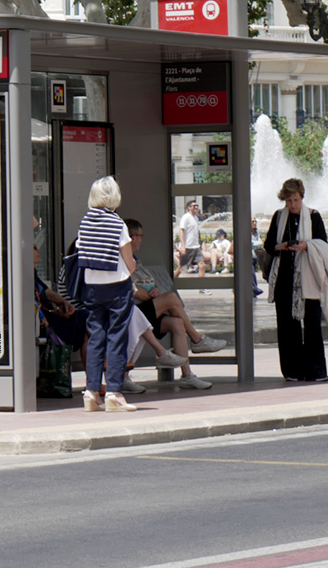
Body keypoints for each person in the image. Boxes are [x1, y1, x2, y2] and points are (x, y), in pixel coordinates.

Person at [125, 219, 224, 391]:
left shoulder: (135, 258)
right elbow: (130, 289)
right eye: (140, 236)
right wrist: (149, 293)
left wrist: (154, 289)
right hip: (134, 311)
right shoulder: (123, 257)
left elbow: (146, 282)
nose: (142, 239)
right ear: (132, 237)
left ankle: (187, 375)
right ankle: (197, 339)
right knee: (170, 299)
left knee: (177, 323)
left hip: (147, 308)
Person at [75, 176, 138, 412]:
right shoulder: (117, 223)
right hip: (117, 286)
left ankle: (91, 391)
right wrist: (132, 269)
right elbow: (128, 260)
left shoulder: (85, 221)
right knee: (117, 338)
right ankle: (114, 392)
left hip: (91, 287)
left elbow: (81, 249)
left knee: (95, 337)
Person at [262, 178, 328, 382]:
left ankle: (315, 370)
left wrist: (305, 246)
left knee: (312, 322)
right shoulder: (278, 217)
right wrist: (280, 247)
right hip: (284, 277)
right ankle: (292, 370)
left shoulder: (313, 216)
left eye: (296, 200)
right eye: (289, 200)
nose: (292, 204)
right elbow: (268, 245)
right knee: (286, 325)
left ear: (302, 198)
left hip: (307, 276)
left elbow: (323, 244)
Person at [175, 199, 206, 282]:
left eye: (197, 206)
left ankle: (202, 287)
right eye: (194, 206)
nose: (196, 208)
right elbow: (181, 231)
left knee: (202, 265)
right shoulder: (186, 217)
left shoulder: (195, 218)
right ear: (189, 207)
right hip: (188, 247)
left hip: (196, 247)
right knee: (181, 267)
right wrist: (183, 247)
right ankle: (170, 283)